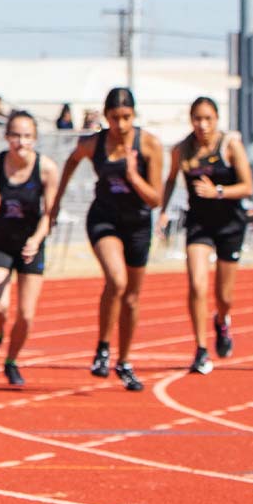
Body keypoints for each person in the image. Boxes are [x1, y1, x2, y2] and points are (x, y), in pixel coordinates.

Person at [50, 86, 164, 392]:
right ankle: (102, 347)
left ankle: (124, 360)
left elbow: (155, 199)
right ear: (106, 117)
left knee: (131, 298)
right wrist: (56, 201)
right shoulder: (94, 143)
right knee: (116, 280)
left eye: (127, 117)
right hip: (104, 219)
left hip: (138, 224)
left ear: (134, 116)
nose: (121, 125)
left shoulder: (150, 145)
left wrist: (133, 175)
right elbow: (72, 160)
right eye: (115, 118)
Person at [161, 95, 253, 375]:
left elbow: (248, 186)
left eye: (208, 119)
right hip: (199, 223)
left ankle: (223, 319)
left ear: (217, 120)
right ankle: (200, 349)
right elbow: (169, 180)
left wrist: (219, 192)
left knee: (224, 295)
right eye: (197, 119)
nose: (202, 125)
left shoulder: (230, 146)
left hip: (230, 224)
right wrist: (163, 211)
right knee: (197, 285)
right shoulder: (182, 149)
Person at [0, 108, 58, 389]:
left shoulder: (46, 168)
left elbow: (50, 212)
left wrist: (36, 240)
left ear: (35, 139)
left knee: (26, 314)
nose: (21, 143)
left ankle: (11, 360)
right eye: (15, 136)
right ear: (6, 136)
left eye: (27, 137)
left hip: (30, 245)